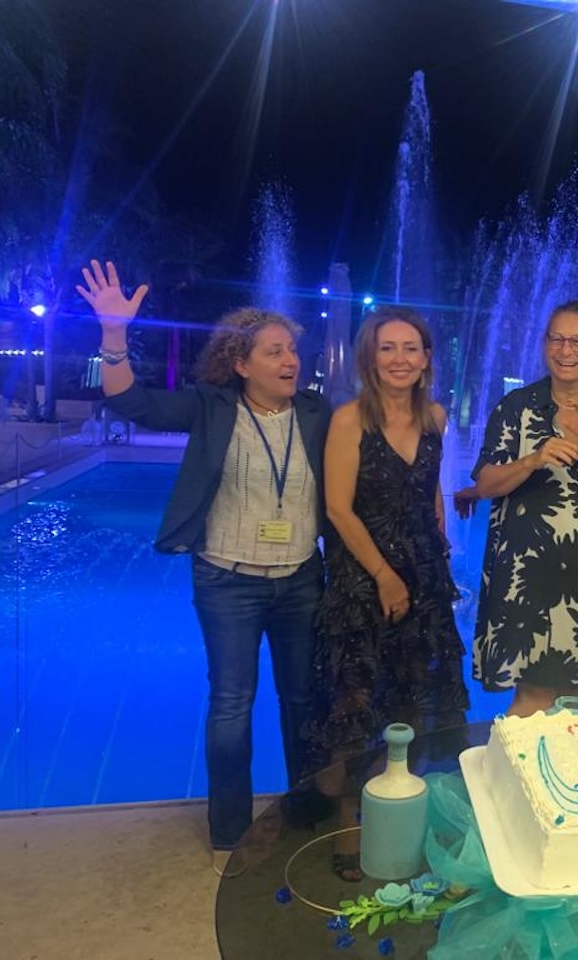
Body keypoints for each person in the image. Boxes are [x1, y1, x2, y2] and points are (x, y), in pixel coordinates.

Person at [77, 260, 331, 876]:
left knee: (304, 700)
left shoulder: (316, 413)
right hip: (228, 581)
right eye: (274, 351)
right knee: (232, 705)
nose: (290, 361)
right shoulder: (212, 408)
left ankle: (307, 816)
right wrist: (113, 333)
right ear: (241, 364)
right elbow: (132, 402)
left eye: (292, 350)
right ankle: (231, 833)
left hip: (301, 579)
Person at [302, 307, 469, 881]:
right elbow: (337, 509)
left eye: (410, 348)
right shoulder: (350, 420)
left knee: (413, 699)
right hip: (362, 577)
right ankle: (350, 823)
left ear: (426, 359)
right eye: (388, 348)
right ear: (370, 359)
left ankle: (401, 813)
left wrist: (438, 546)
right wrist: (383, 574)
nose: (400, 359)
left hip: (423, 576)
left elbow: (430, 492)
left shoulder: (435, 418)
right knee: (358, 701)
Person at [470, 300, 578, 717]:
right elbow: (485, 484)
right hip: (526, 574)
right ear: (545, 344)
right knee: (530, 698)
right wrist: (532, 460)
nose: (566, 350)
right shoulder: (516, 407)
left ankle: (559, 763)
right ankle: (516, 761)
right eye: (557, 339)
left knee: (576, 700)